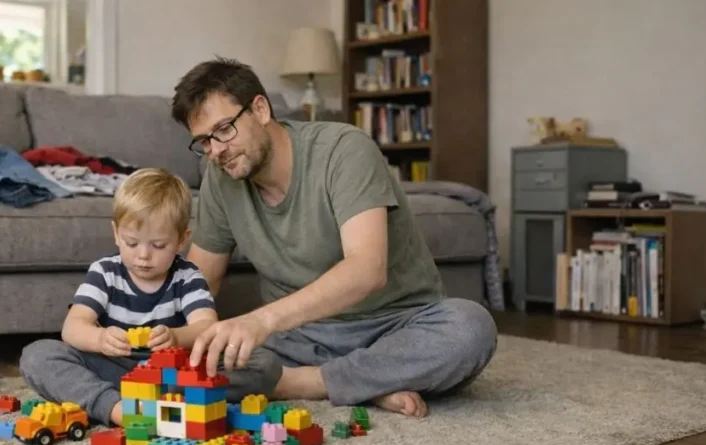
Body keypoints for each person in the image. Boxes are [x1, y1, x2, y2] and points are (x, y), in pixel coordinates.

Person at [170, 57, 498, 418]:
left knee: (470, 329)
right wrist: (156, 335)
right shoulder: (220, 178)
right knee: (207, 357)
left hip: (393, 325)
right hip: (300, 340)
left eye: (224, 129)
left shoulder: (344, 149)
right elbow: (199, 283)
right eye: (203, 141)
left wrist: (261, 321)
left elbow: (367, 270)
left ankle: (302, 384)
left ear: (260, 109)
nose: (215, 150)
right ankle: (370, 382)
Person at [18, 168, 282, 427]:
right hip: (115, 368)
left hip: (174, 375)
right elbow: (72, 327)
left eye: (158, 246)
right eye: (132, 243)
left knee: (264, 363)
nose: (143, 255)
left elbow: (206, 327)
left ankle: (172, 400)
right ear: (116, 234)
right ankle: (115, 407)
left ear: (181, 240)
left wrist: (176, 337)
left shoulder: (187, 276)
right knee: (37, 355)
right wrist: (99, 339)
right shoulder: (105, 272)